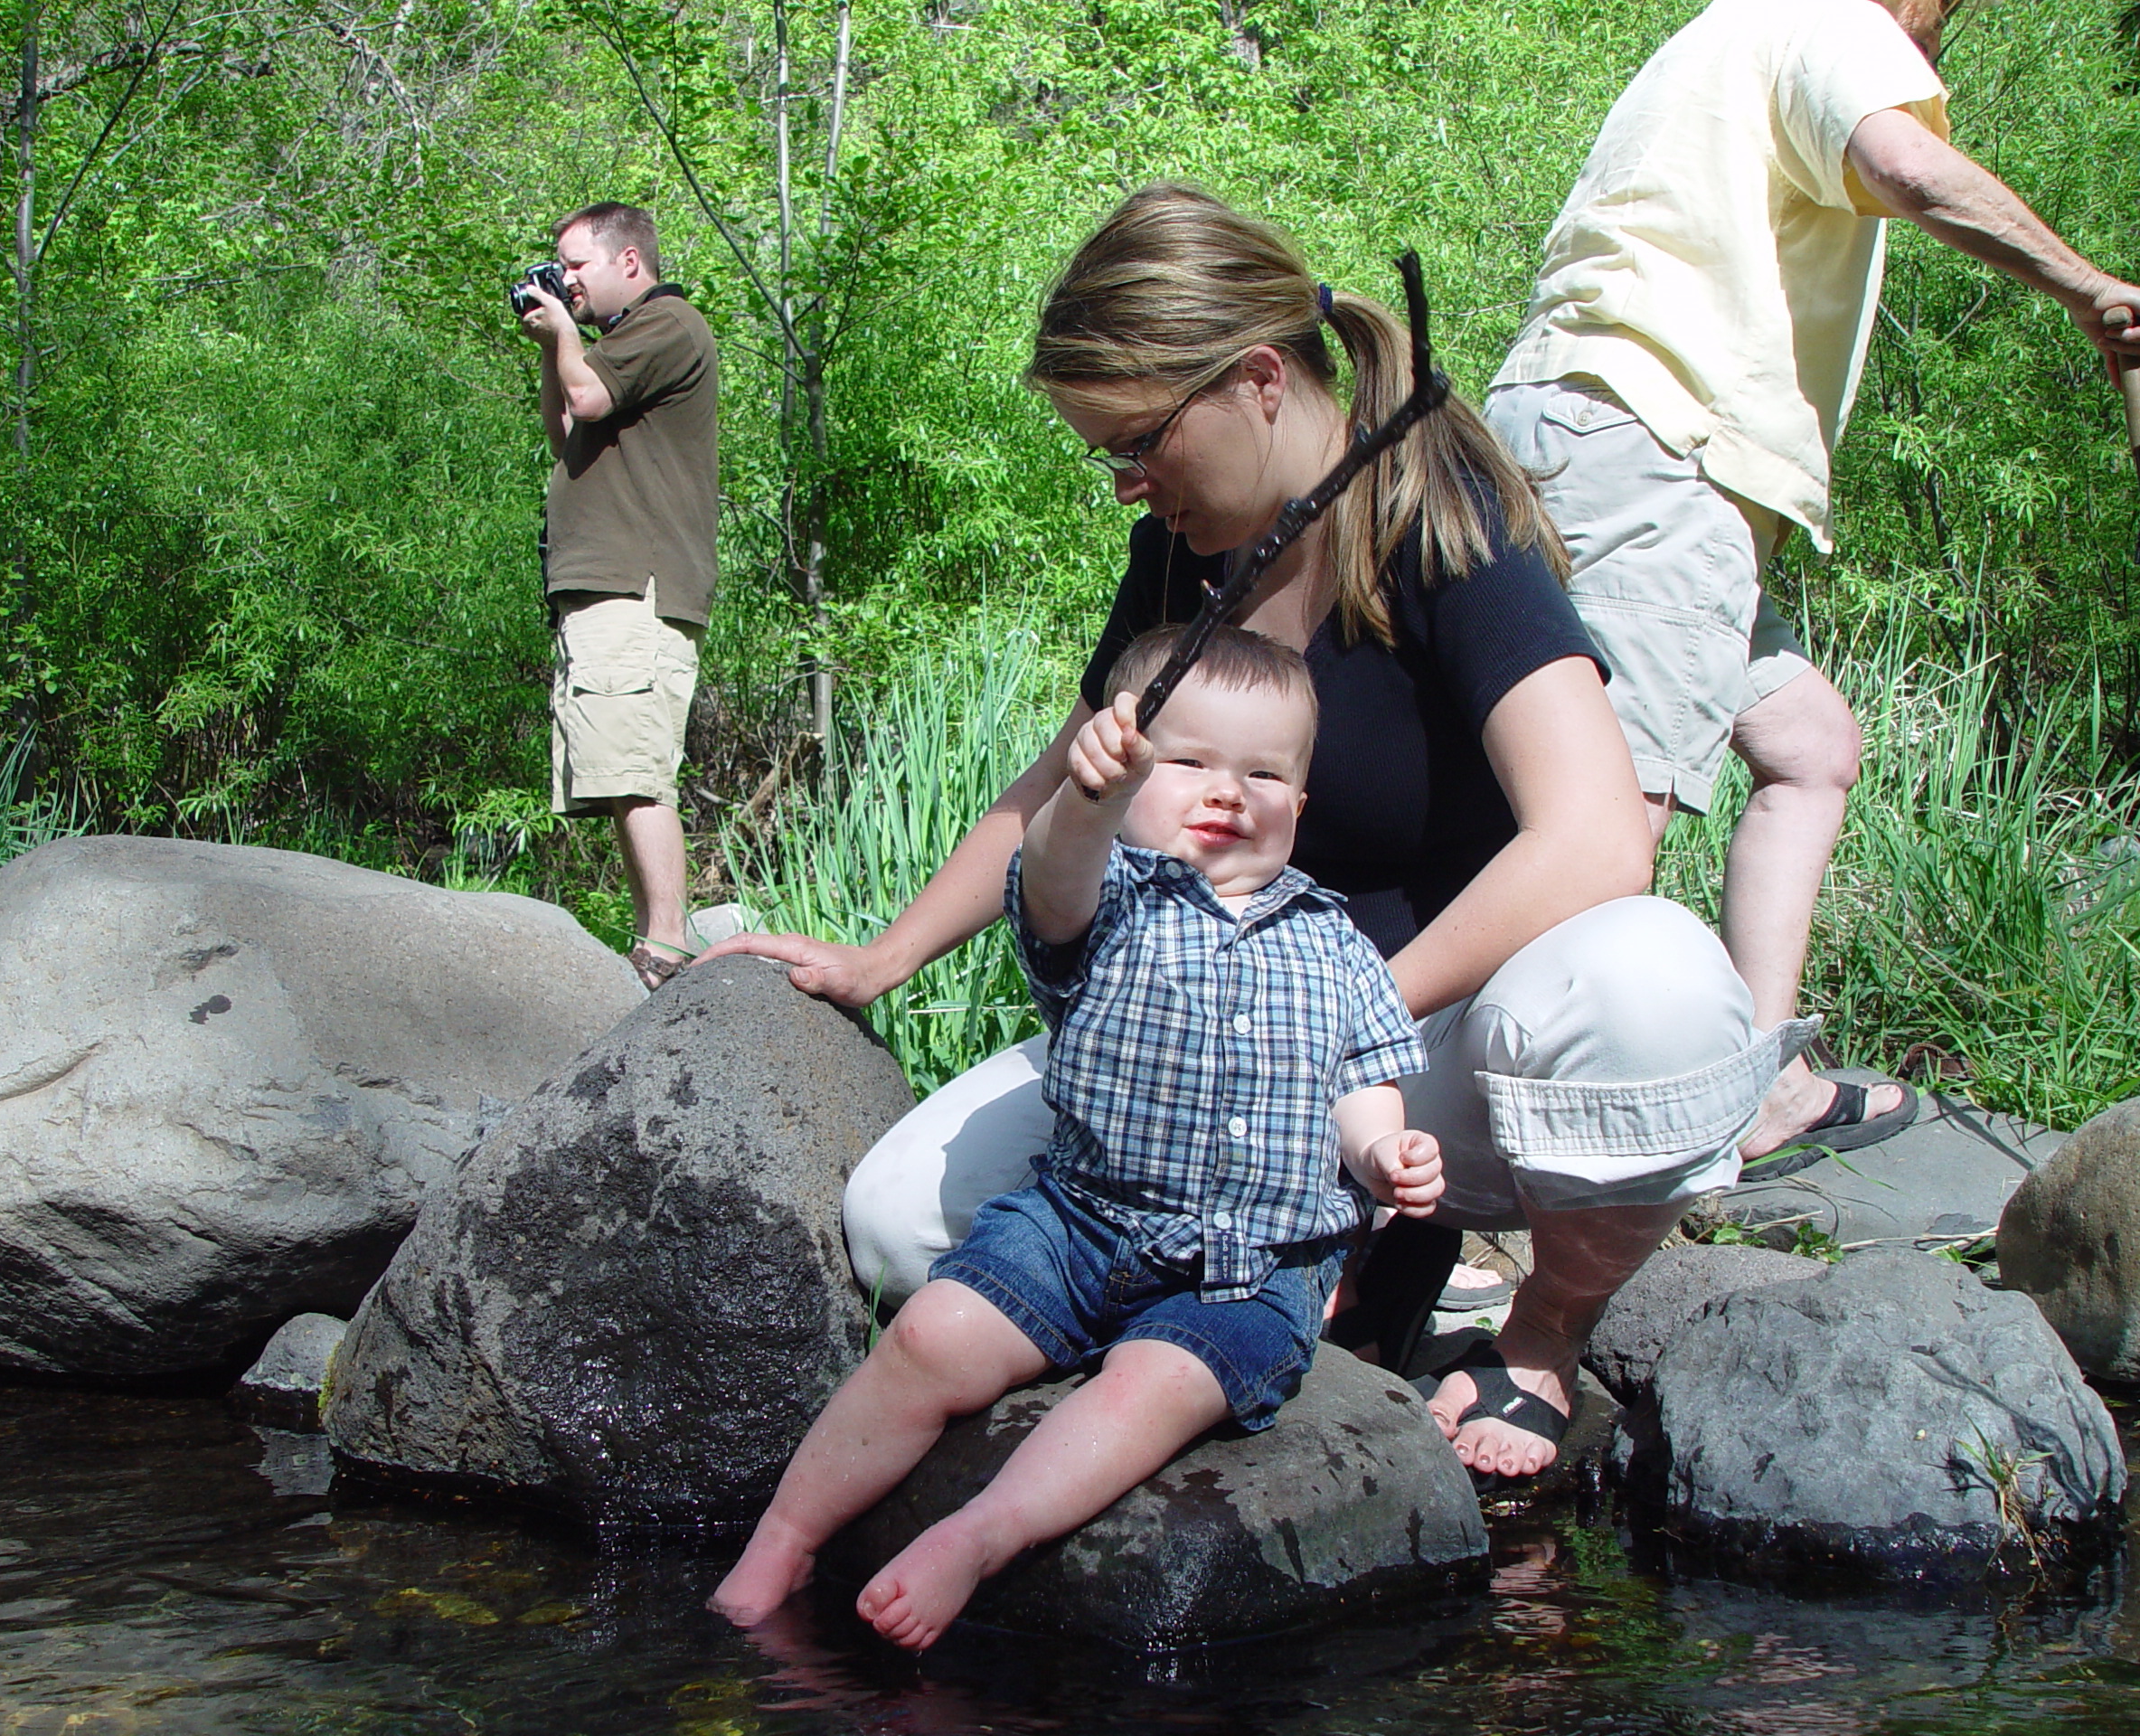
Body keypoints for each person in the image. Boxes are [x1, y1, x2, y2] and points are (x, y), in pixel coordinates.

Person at [709, 184, 1815, 1488]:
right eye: (1102, 455)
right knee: (900, 1226)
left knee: (1657, 986)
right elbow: (1053, 786)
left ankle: (1540, 1336)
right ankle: (1290, 1283)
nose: (1124, 483)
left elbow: (1594, 842)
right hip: (1193, 1062)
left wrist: (1318, 1034)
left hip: (1428, 1057)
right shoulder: (1182, 557)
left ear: (1259, 380)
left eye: (1136, 442)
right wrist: (881, 960)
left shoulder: (1438, 519)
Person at [1483, 0, 2140, 1159]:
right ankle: (1506, 1166)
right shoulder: (1835, 19)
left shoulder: (1730, 34)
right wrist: (2092, 292)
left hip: (1601, 438)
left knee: (1809, 745)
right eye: (1945, 24)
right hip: (1656, 450)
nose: (1940, 50)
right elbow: (1908, 170)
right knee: (1602, 824)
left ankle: (1755, 1084)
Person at [710, 624, 1445, 1649]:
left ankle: (981, 1534)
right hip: (1077, 1222)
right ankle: (781, 1541)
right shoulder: (1111, 903)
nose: (1226, 793)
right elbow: (1051, 875)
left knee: (1155, 1386)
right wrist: (1084, 801)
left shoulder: (1340, 948)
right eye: (1186, 763)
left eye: (1263, 773)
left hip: (1247, 1266)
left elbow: (1360, 1086)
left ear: (1302, 804)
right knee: (929, 1336)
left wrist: (1381, 1154)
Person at [517, 202, 720, 989]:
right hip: (604, 589)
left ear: (628, 261)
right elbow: (567, 427)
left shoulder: (667, 325)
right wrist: (555, 347)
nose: (564, 281)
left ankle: (665, 946)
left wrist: (565, 337)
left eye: (576, 266)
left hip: (637, 587)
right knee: (612, 771)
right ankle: (653, 939)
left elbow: (592, 400)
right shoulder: (613, 344)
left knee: (634, 769)